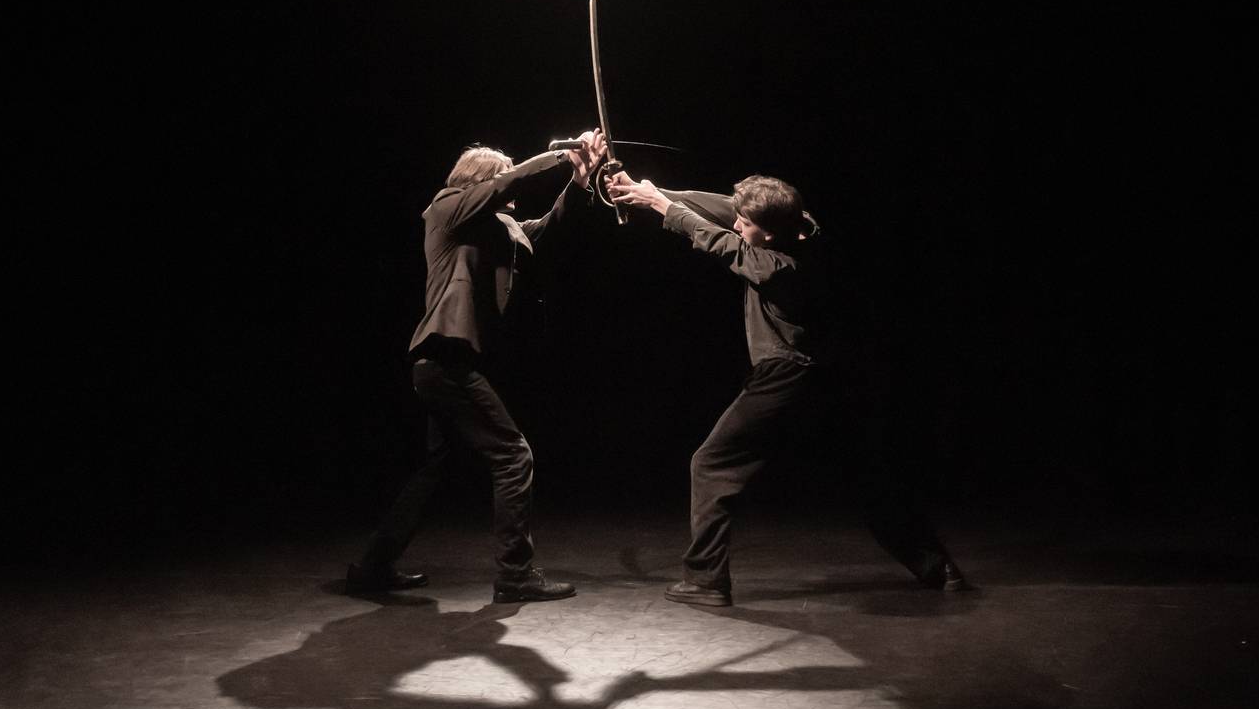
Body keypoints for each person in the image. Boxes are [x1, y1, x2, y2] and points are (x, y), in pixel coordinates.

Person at [606, 171, 970, 605]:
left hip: (786, 376)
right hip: (829, 379)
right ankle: (939, 568)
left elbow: (721, 242)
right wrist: (648, 192)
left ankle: (705, 580)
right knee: (867, 476)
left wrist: (664, 207)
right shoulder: (803, 223)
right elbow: (725, 209)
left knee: (711, 463)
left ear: (770, 233)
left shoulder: (780, 267)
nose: (737, 225)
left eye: (746, 224)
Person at [345, 131, 605, 603]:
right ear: (480, 181)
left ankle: (373, 568)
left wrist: (579, 179)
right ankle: (515, 575)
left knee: (433, 468)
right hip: (445, 358)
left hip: (450, 363)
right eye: (501, 176)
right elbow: (505, 186)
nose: (510, 184)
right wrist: (558, 156)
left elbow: (545, 228)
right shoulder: (446, 210)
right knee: (513, 456)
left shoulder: (497, 229)